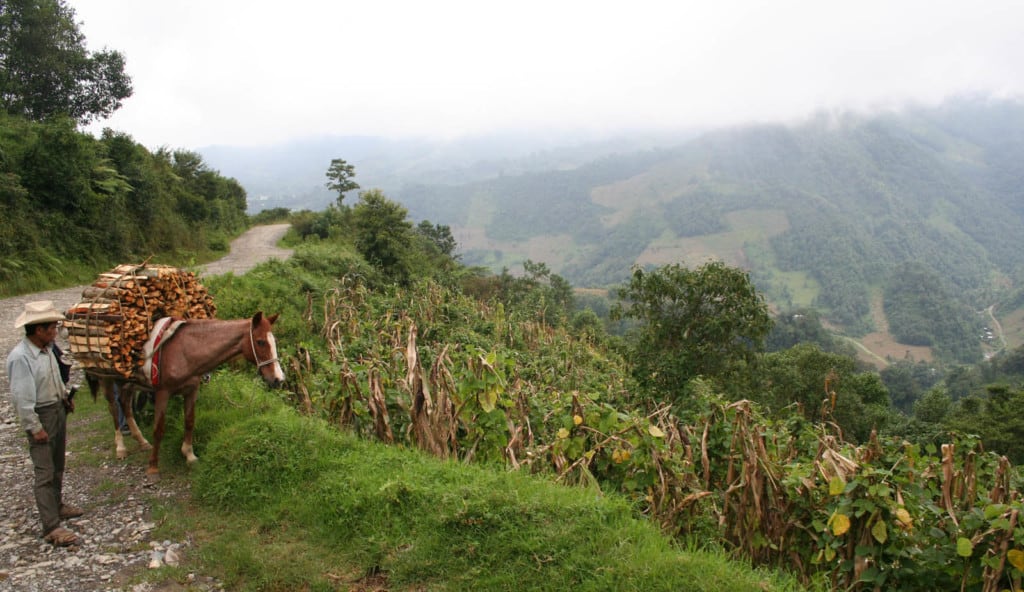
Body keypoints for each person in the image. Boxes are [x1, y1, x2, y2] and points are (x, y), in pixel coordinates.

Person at [6, 301, 84, 547]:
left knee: (58, 463)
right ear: (38, 330)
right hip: (41, 414)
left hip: (56, 409)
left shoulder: (47, 349)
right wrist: (33, 425)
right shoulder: (21, 357)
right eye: (52, 327)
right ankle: (51, 526)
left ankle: (57, 505)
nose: (55, 331)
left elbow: (53, 377)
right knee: (44, 471)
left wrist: (64, 397)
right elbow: (22, 396)